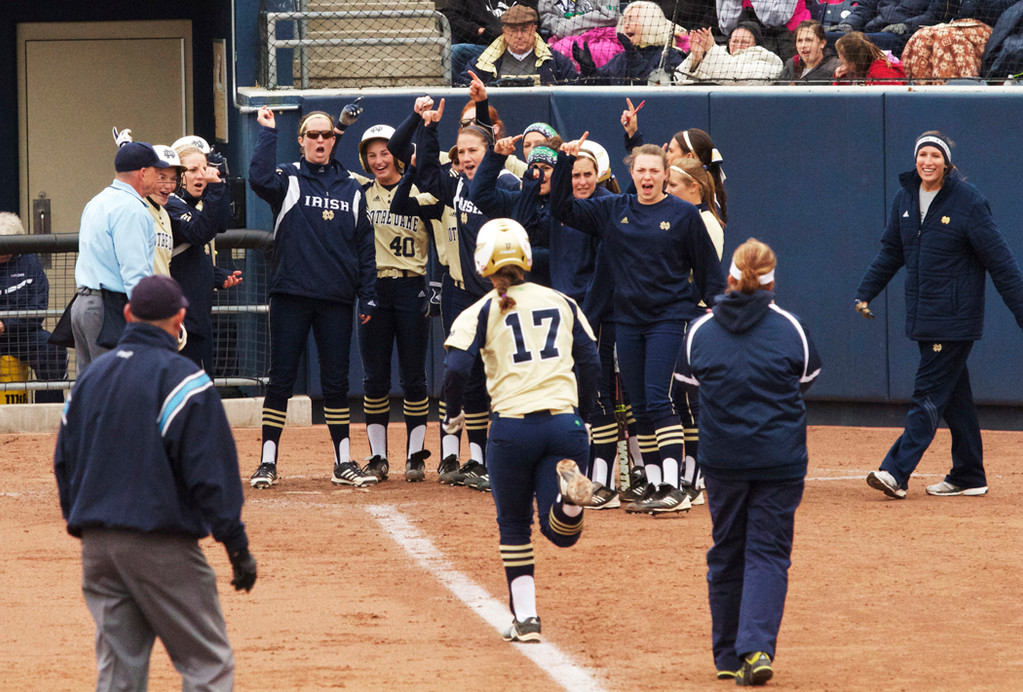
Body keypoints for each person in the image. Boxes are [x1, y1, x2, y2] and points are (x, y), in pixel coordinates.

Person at [53, 274, 257, 691]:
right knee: (207, 666)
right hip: (160, 542)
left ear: (128, 315)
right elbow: (211, 475)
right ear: (180, 317)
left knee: (118, 675)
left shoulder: (90, 379)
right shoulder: (185, 380)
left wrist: (87, 521)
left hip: (97, 543)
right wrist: (236, 545)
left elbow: (64, 462)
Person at [441, 217, 600, 642]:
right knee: (560, 533)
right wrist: (581, 413)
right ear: (526, 256)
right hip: (564, 425)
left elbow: (456, 369)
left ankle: (526, 618)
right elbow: (591, 361)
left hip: (511, 429)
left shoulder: (479, 310)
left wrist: (451, 413)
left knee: (514, 526)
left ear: (483, 261)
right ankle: (570, 504)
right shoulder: (562, 301)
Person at [550, 137, 726, 514]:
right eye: (641, 170)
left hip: (667, 318)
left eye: (654, 171)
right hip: (627, 320)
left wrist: (721, 313)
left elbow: (709, 273)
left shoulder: (683, 215)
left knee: (659, 399)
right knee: (641, 406)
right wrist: (564, 164)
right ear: (631, 173)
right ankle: (652, 483)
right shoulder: (613, 208)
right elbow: (562, 208)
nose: (647, 177)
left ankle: (672, 487)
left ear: (665, 175)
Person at [676, 238, 821, 685]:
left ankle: (726, 655)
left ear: (731, 277)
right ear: (772, 280)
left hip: (722, 461)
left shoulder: (700, 330)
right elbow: (806, 380)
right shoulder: (791, 327)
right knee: (768, 553)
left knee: (726, 551)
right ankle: (755, 648)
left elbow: (688, 385)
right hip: (779, 461)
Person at [856, 131, 1023, 499]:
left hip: (954, 319)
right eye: (922, 155)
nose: (927, 162)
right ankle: (969, 474)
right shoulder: (904, 198)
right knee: (954, 398)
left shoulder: (969, 202)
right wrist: (866, 291)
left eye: (935, 156)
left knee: (928, 394)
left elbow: (1001, 262)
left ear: (947, 164)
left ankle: (895, 471)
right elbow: (890, 253)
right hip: (924, 315)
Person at [247, 107, 378, 490]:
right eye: (312, 135)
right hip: (292, 294)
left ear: (335, 140)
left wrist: (368, 297)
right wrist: (268, 133)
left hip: (337, 299)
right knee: (282, 378)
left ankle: (342, 462)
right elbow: (257, 177)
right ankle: (267, 462)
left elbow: (365, 247)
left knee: (336, 384)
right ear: (302, 140)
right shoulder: (286, 178)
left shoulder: (353, 188)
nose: (320, 141)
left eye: (326, 136)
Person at [351, 124, 434, 482]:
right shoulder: (359, 192)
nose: (378, 160)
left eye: (385, 152)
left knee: (415, 377)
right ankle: (378, 456)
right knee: (374, 379)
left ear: (399, 155)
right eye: (371, 155)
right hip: (374, 289)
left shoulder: (421, 190)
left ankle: (415, 457)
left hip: (411, 287)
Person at [71, 141, 170, 373]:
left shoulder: (96, 201)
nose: (160, 178)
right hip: (109, 309)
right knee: (118, 388)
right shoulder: (131, 209)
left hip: (83, 305)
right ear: (143, 172)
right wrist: (152, 322)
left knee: (92, 389)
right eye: (157, 172)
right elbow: (136, 275)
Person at [167, 139, 243, 376]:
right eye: (192, 170)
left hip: (199, 318)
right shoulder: (170, 204)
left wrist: (216, 276)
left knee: (203, 389)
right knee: (185, 394)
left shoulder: (193, 205)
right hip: (179, 322)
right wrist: (216, 189)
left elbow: (219, 225)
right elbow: (198, 233)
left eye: (205, 168)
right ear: (178, 176)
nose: (201, 175)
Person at [0, 212, 67, 402]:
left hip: (24, 334)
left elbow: (38, 307)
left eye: (7, 248)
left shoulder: (30, 262)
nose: (2, 253)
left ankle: (49, 410)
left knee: (52, 348)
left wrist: (6, 324)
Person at [573, 1, 688, 84]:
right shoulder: (621, 58)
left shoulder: (669, 56)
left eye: (632, 20)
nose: (626, 24)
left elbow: (660, 87)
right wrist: (589, 71)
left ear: (649, 23)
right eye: (625, 20)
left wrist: (635, 60)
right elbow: (600, 85)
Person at [466, 3, 579, 85]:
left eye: (524, 30)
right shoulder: (484, 62)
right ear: (504, 31)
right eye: (513, 30)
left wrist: (588, 69)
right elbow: (465, 83)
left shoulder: (556, 61)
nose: (519, 36)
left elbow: (574, 88)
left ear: (534, 29)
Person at [675, 22, 785, 85]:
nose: (738, 45)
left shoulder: (768, 60)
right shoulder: (719, 53)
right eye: (735, 41)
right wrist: (696, 59)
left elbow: (739, 78)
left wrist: (712, 50)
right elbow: (677, 79)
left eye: (745, 42)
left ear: (756, 43)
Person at [827, 0, 933, 58]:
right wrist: (848, 24)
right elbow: (864, 9)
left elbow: (934, 16)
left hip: (903, 36)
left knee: (864, 43)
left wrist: (906, 26)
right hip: (871, 31)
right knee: (826, 37)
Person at [778, 20, 842, 82]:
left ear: (822, 43)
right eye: (799, 41)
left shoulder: (836, 68)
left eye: (809, 40)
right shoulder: (791, 65)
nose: (803, 45)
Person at [834, 31, 907, 83]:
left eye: (840, 57)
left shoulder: (882, 75)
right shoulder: (859, 70)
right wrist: (841, 79)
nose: (840, 60)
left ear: (851, 61)